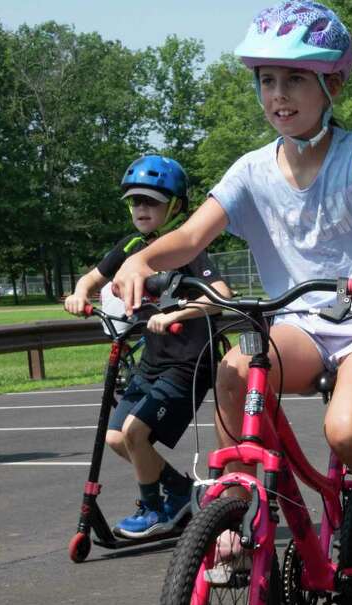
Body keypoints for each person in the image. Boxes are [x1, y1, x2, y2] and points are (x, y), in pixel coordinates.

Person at [109, 1, 352, 605]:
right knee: (237, 369)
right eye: (267, 80)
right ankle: (237, 503)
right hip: (301, 325)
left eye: (293, 79)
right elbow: (189, 238)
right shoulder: (251, 170)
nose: (278, 95)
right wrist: (140, 262)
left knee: (345, 430)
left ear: (331, 84)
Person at [63, 155, 230, 538]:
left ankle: (154, 510)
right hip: (154, 361)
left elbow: (221, 297)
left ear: (175, 206)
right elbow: (91, 278)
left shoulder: (186, 248)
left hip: (189, 363)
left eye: (152, 201)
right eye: (136, 201)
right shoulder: (132, 247)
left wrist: (176, 315)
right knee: (117, 437)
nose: (141, 208)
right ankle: (179, 491)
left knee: (136, 433)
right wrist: (78, 293)